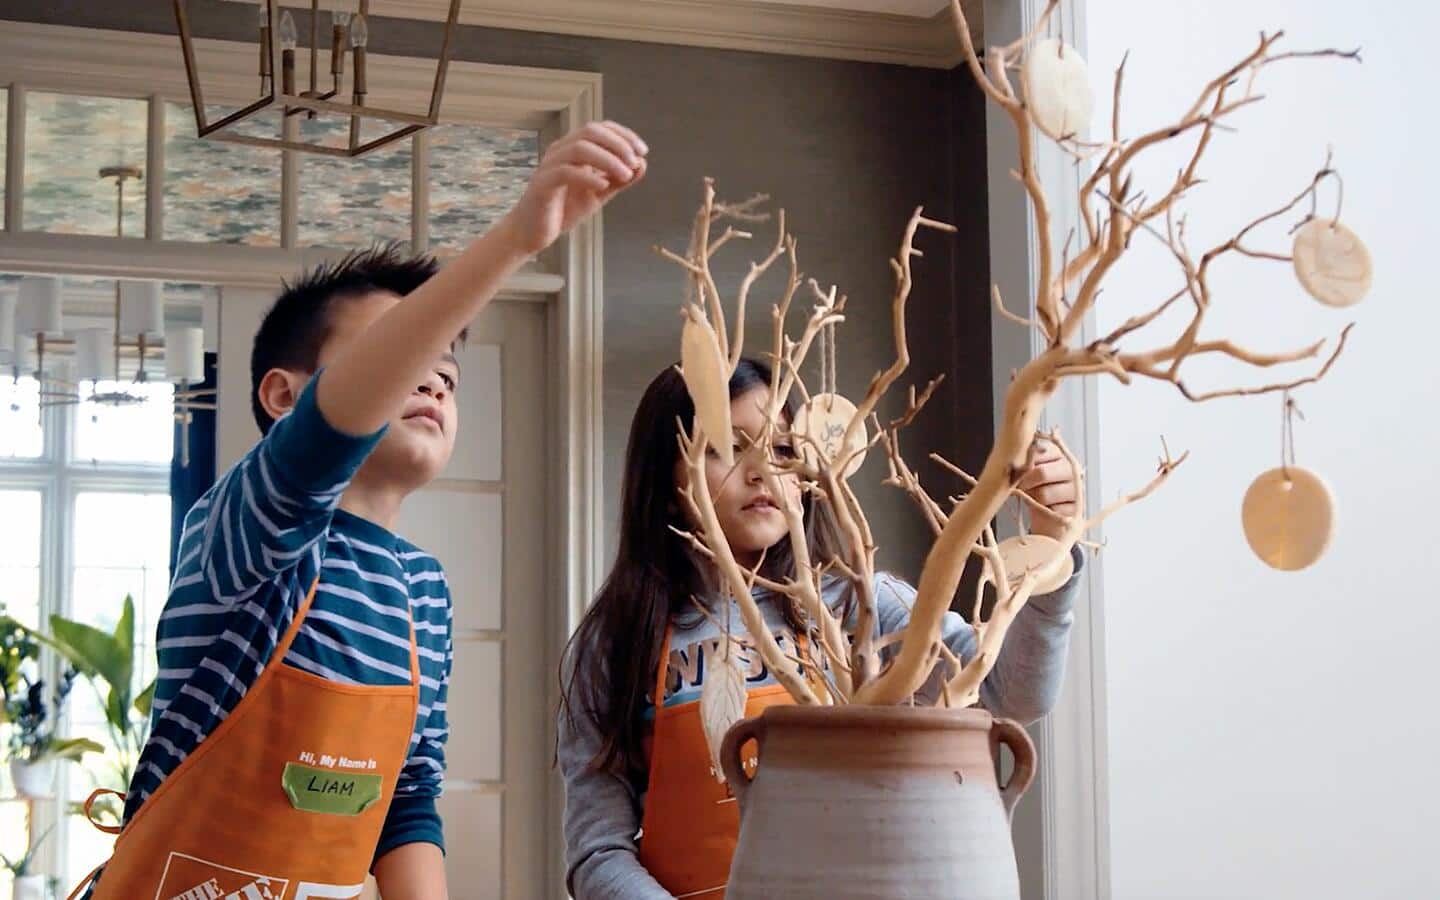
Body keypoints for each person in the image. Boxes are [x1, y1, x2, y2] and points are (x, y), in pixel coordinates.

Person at [69, 121, 650, 900]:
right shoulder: (251, 529)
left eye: (448, 369)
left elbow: (407, 801)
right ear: (284, 397)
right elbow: (327, 431)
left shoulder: (423, 592)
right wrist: (513, 239)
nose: (436, 378)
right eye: (408, 352)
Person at [558, 357, 1083, 899]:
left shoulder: (864, 604)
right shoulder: (616, 643)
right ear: (667, 475)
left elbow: (1012, 691)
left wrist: (1052, 552)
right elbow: (597, 852)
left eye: (783, 449)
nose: (762, 470)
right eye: (728, 448)